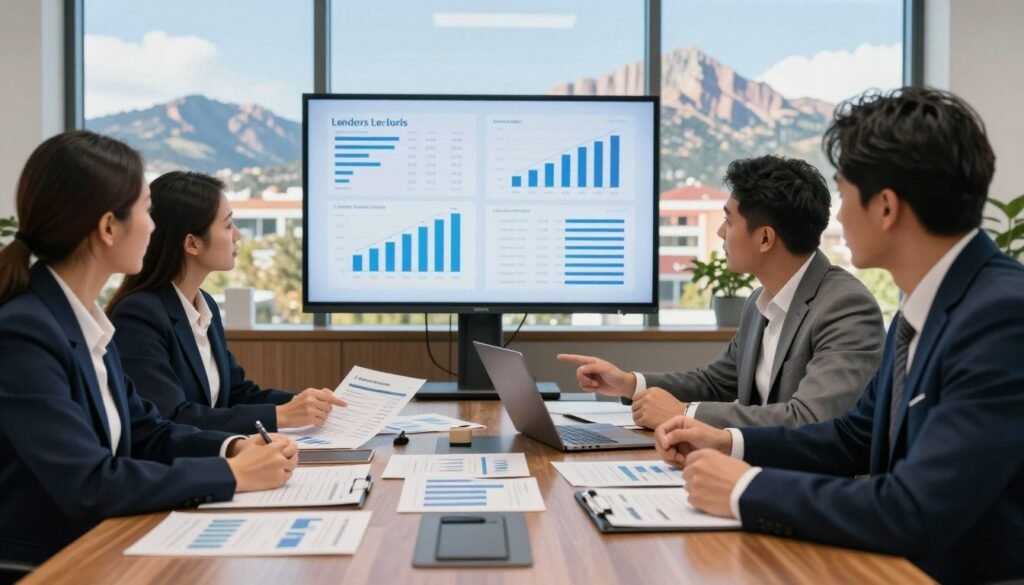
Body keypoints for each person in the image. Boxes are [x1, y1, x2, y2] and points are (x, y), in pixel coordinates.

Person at [656, 88, 1024, 584]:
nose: (838, 216)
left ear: (887, 207)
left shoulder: (1001, 316)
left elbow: (914, 509)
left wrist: (746, 489)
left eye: (845, 194)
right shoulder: (922, 307)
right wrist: (729, 443)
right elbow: (853, 438)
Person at [0, 131, 298, 564]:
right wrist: (231, 474)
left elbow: (149, 430)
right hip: (55, 563)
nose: (154, 226)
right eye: (145, 210)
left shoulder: (83, 323)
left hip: (109, 543)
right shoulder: (25, 333)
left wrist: (233, 447)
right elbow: (91, 483)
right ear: (107, 227)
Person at [559, 155, 884, 430]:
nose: (720, 232)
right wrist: (628, 382)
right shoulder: (760, 302)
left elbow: (810, 418)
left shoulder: (845, 306)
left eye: (729, 222)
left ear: (765, 239)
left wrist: (684, 414)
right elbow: (716, 383)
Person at [106, 171, 345, 435]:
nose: (238, 235)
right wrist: (282, 415)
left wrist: (306, 404)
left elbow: (236, 393)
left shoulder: (203, 304)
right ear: (192, 243)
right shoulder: (138, 315)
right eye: (228, 225)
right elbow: (171, 417)